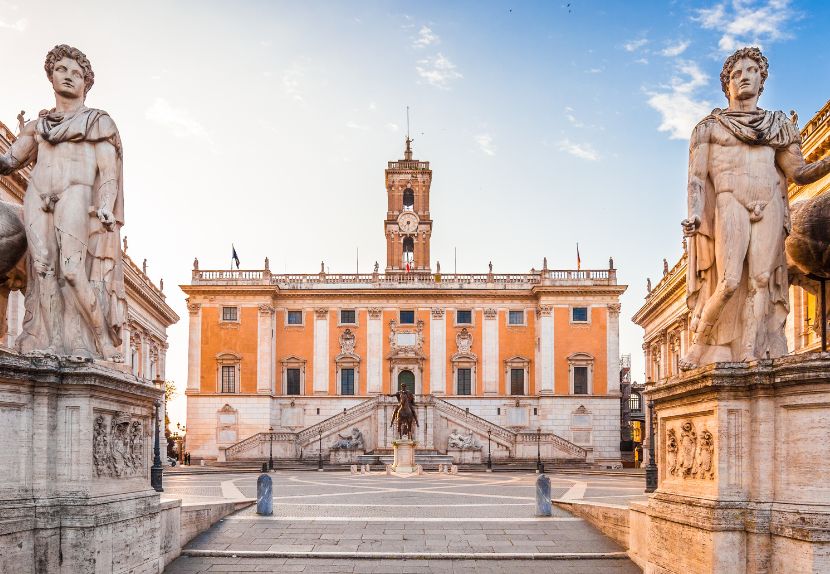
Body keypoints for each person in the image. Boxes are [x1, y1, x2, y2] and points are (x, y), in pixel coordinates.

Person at [681, 47, 830, 369]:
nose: (744, 78)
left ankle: (750, 350)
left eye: (752, 72)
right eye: (737, 74)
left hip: (769, 203)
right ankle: (699, 344)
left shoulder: (778, 127)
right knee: (730, 280)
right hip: (729, 200)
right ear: (727, 84)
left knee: (761, 280)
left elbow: (799, 174)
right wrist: (694, 212)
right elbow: (695, 178)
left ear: (762, 81)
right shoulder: (709, 128)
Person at [0, 45, 125, 361]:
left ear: (86, 84)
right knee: (41, 271)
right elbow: (8, 162)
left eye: (77, 74)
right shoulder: (37, 126)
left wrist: (107, 204)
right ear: (50, 76)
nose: (68, 77)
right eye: (61, 70)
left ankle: (97, 340)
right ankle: (50, 340)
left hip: (77, 197)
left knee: (71, 271)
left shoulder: (98, 122)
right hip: (37, 198)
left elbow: (109, 171)